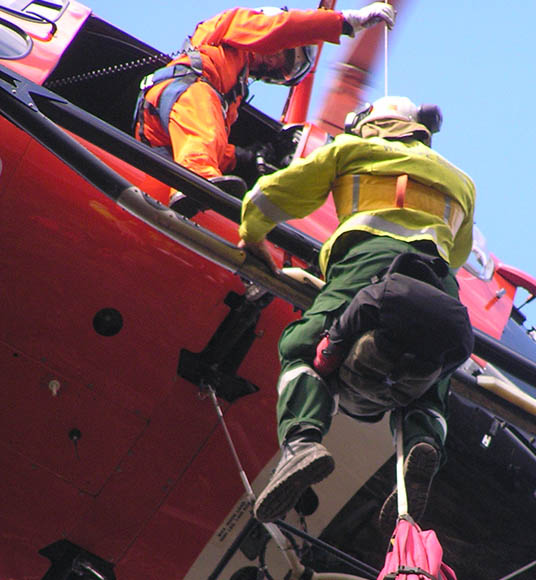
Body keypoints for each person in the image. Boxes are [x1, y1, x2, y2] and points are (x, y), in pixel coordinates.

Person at [238, 96, 476, 529]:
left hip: (368, 262)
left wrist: (252, 232)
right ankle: (421, 449)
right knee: (430, 381)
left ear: (370, 124)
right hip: (441, 282)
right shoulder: (462, 183)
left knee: (302, 345)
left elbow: (270, 197)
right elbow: (458, 252)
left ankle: (303, 442)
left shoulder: (353, 151)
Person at [133, 3, 395, 217]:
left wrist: (247, 157)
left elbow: (209, 143)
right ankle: (196, 181)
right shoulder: (233, 25)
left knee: (159, 190)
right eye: (283, 56)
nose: (272, 64)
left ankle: (181, 193)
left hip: (160, 130)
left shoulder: (228, 96)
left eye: (279, 71)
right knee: (203, 117)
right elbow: (278, 29)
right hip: (179, 93)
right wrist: (345, 22)